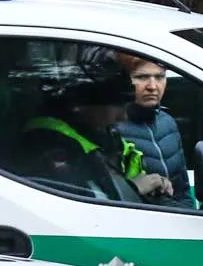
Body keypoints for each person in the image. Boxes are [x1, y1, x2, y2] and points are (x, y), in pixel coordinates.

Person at [19, 71, 156, 202]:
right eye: (118, 106)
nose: (123, 117)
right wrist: (133, 188)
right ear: (83, 104)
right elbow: (83, 202)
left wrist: (149, 183)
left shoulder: (98, 131)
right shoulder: (49, 142)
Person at [115, 56, 193, 206]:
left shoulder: (168, 123)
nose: (152, 86)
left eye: (159, 77)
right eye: (141, 77)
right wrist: (134, 187)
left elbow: (183, 191)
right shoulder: (111, 128)